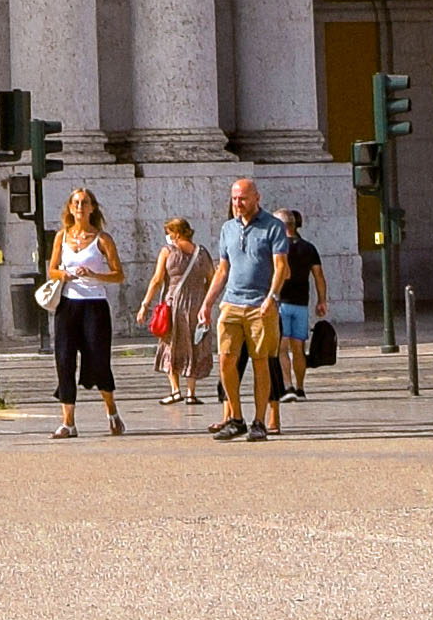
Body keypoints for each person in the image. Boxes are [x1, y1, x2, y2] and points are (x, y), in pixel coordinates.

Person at [206, 173, 295, 442]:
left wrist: (271, 297)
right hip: (231, 304)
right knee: (225, 360)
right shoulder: (227, 229)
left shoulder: (272, 227)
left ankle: (259, 421)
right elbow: (223, 269)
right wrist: (208, 302)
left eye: (243, 198)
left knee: (261, 362)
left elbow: (281, 267)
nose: (238, 203)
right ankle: (235, 418)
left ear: (257, 198)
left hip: (260, 306)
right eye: (234, 198)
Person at [40, 186, 128, 437]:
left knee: (99, 360)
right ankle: (68, 422)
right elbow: (52, 269)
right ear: (70, 208)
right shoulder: (62, 237)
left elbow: (118, 274)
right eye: (76, 203)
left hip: (94, 305)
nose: (80, 207)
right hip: (68, 304)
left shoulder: (102, 239)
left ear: (92, 208)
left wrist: (94, 274)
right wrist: (63, 274)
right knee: (64, 360)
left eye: (85, 203)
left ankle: (111, 411)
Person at [141, 214, 214, 410]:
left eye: (169, 232)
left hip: (173, 305)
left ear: (176, 233)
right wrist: (206, 301)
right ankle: (191, 392)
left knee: (170, 345)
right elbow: (212, 279)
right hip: (197, 306)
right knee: (194, 344)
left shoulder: (168, 251)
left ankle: (175, 390)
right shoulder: (202, 253)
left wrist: (145, 304)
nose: (168, 236)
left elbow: (157, 280)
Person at [276, 206, 327, 402]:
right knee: (298, 348)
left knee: (282, 349)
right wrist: (322, 300)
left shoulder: (277, 248)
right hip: (301, 304)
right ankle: (300, 387)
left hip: (281, 303)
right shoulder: (309, 247)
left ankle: (287, 386)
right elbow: (319, 275)